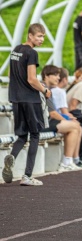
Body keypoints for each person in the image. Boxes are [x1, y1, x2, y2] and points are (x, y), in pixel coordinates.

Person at [2, 24, 49, 186]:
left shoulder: (16, 50)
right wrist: (45, 90)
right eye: (39, 36)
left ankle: (12, 157)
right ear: (30, 35)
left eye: (43, 37)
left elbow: (11, 74)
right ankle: (27, 176)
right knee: (35, 135)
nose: (41, 40)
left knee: (22, 135)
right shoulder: (32, 53)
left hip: (16, 98)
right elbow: (32, 79)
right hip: (30, 99)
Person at [39, 65, 82, 172]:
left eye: (59, 75)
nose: (58, 78)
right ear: (46, 76)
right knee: (74, 126)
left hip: (43, 121)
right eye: (55, 75)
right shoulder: (44, 88)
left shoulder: (45, 87)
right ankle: (67, 162)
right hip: (41, 123)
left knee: (76, 126)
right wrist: (67, 121)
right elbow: (53, 114)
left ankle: (71, 160)